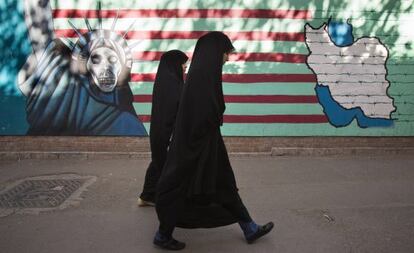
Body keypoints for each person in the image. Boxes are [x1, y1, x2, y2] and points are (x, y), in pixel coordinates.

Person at [153, 32, 273, 250]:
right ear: (214, 53)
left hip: (207, 143)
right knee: (179, 187)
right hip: (194, 147)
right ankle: (163, 234)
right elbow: (202, 114)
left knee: (224, 184)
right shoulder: (201, 80)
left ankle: (250, 228)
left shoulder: (204, 76)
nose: (227, 58)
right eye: (226, 53)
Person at [138, 50, 189, 206]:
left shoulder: (165, 80)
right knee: (166, 165)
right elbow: (177, 110)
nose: (185, 69)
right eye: (183, 65)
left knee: (158, 163)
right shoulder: (173, 84)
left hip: (161, 131)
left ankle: (147, 196)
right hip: (168, 132)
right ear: (175, 65)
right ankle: (167, 200)